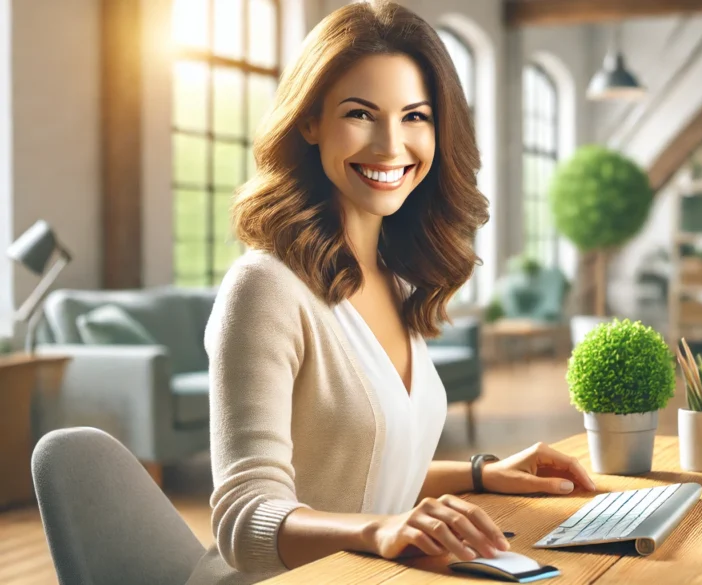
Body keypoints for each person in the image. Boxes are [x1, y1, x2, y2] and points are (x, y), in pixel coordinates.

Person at [185, 2, 596, 583]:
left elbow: (362, 470)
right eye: (360, 113)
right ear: (310, 121)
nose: (390, 145)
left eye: (415, 117)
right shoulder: (265, 288)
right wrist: (382, 530)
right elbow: (243, 523)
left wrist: (485, 473)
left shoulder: (395, 277)